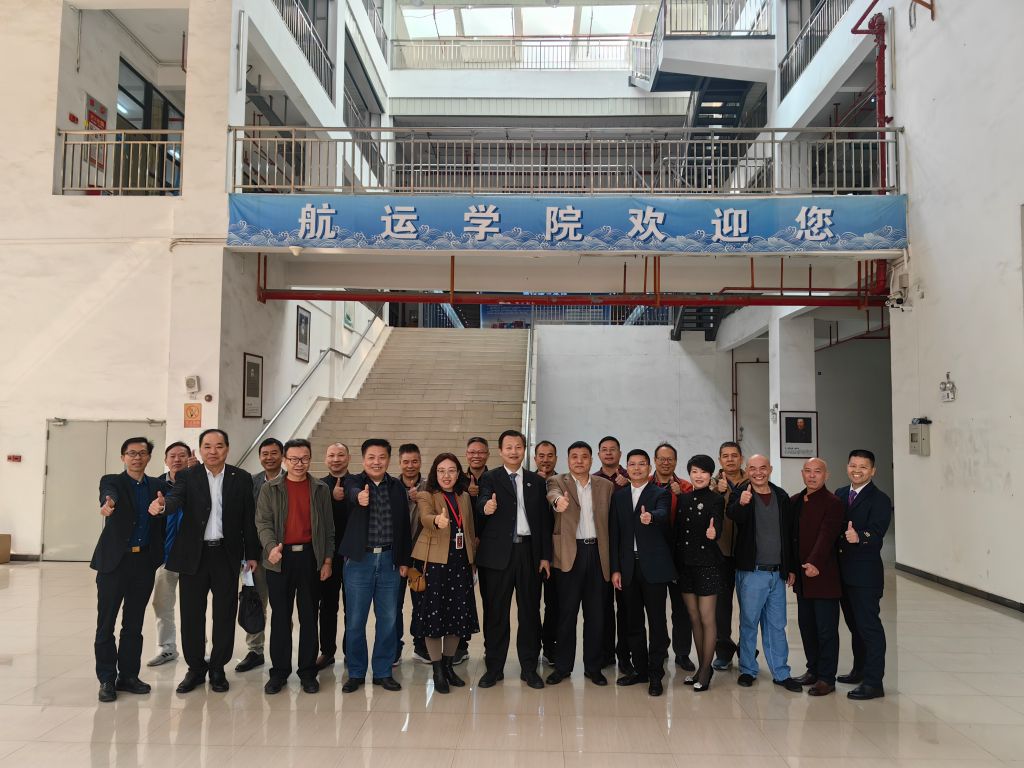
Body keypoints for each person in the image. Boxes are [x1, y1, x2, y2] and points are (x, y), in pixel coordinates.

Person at [148, 428, 259, 694]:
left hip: (226, 555)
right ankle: (195, 669)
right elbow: (175, 499)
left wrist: (252, 553)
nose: (213, 451)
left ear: (227, 449)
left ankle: (218, 668)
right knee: (192, 614)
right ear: (200, 450)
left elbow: (248, 518)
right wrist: (163, 507)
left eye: (219, 446)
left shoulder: (241, 478)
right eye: (207, 446)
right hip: (193, 556)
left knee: (224, 614)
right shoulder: (188, 476)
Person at [256, 438, 335, 695]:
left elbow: (329, 528)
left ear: (310, 459)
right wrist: (271, 547)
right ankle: (279, 672)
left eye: (304, 458)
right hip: (279, 559)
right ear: (284, 460)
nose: (299, 464)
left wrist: (327, 560)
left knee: (309, 616)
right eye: (293, 459)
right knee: (280, 617)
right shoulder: (270, 489)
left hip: (310, 558)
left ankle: (308, 672)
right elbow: (263, 523)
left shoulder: (320, 489)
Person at [92, 437, 168, 702]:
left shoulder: (158, 486)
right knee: (106, 623)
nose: (137, 457)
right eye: (131, 453)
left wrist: (163, 506)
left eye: (142, 453)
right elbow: (108, 495)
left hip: (143, 562)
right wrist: (108, 504)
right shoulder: (112, 481)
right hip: (114, 563)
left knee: (133, 624)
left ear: (149, 457)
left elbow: (171, 503)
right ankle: (106, 678)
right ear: (123, 457)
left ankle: (128, 676)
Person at [475, 429, 552, 689]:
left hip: (529, 553)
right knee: (495, 613)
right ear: (500, 451)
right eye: (508, 447)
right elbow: (482, 501)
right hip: (497, 556)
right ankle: (494, 668)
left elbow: (543, 521)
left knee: (530, 612)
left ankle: (529, 668)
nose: (513, 451)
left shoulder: (536, 481)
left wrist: (545, 556)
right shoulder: (490, 477)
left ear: (524, 450)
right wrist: (486, 506)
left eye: (518, 447)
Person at [339, 439, 411, 693]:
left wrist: (404, 560)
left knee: (388, 619)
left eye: (382, 457)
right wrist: (358, 497)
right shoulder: (354, 482)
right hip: (360, 561)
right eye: (371, 457)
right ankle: (356, 672)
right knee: (355, 620)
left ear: (389, 460)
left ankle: (382, 671)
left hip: (390, 561)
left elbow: (404, 526)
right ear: (363, 459)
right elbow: (350, 492)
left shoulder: (397, 487)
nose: (376, 462)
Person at [726, 454, 802, 692]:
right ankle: (748, 669)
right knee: (749, 623)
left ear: (769, 469)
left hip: (777, 573)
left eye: (762, 468)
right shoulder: (741, 493)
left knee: (777, 625)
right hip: (752, 572)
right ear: (747, 470)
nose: (758, 473)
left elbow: (789, 534)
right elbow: (733, 516)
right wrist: (742, 503)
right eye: (753, 468)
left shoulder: (781, 496)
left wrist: (790, 567)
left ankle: (781, 672)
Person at [543, 441, 614, 686]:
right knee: (566, 614)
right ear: (568, 460)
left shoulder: (605, 486)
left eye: (584, 456)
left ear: (592, 460)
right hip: (568, 555)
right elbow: (552, 495)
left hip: (597, 554)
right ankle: (563, 667)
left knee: (596, 615)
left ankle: (593, 667)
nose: (580, 461)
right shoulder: (557, 481)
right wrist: (557, 502)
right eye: (574, 456)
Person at [410, 453, 479, 693]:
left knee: (456, 617)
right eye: (441, 471)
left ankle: (449, 667)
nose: (446, 475)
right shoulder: (426, 494)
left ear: (458, 473)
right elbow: (425, 516)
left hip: (460, 564)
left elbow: (469, 530)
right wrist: (437, 521)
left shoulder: (464, 497)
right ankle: (437, 669)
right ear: (435, 473)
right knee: (433, 617)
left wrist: (472, 561)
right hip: (434, 564)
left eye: (451, 470)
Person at [609, 449, 675, 697]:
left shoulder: (660, 493)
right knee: (633, 622)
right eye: (632, 464)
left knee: (657, 622)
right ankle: (641, 670)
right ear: (626, 468)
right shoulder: (619, 496)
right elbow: (615, 534)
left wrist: (651, 517)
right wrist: (615, 568)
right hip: (628, 568)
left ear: (649, 468)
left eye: (642, 464)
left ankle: (656, 674)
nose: (637, 468)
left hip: (654, 568)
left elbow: (663, 513)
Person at [835, 449, 892, 700]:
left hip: (865, 576)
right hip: (842, 573)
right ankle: (859, 670)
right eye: (853, 465)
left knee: (869, 627)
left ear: (873, 471)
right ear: (847, 466)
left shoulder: (879, 499)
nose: (857, 470)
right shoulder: (840, 493)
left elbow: (877, 533)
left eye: (863, 467)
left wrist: (859, 537)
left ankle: (874, 682)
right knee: (854, 626)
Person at [789, 458, 844, 696]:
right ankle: (812, 670)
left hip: (824, 576)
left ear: (826, 475)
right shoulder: (795, 501)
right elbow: (791, 538)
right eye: (808, 471)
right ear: (802, 474)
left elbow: (827, 535)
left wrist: (814, 562)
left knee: (826, 630)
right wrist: (791, 568)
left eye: (817, 472)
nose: (812, 476)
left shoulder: (833, 503)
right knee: (807, 626)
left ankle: (826, 678)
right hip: (802, 578)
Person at [674, 454, 724, 692]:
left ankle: (705, 669)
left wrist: (715, 533)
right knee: (693, 618)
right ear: (690, 474)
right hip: (685, 565)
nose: (699, 476)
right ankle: (701, 667)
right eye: (694, 471)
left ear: (710, 474)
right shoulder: (683, 499)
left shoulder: (716, 499)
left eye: (703, 471)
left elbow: (718, 525)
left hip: (707, 564)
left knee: (707, 618)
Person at [237, 437, 283, 674]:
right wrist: (246, 554)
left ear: (282, 455)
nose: (269, 458)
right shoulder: (250, 482)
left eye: (274, 453)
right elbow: (244, 518)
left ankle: (281, 650)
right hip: (253, 556)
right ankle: (255, 650)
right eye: (265, 454)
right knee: (253, 602)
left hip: (282, 553)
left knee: (282, 605)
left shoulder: (292, 479)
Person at [651, 442, 695, 673]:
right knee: (656, 609)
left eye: (670, 459)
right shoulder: (645, 484)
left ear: (676, 462)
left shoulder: (686, 487)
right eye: (661, 459)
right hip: (654, 555)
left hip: (681, 555)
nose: (665, 463)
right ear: (655, 461)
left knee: (681, 608)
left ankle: (682, 652)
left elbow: (694, 517)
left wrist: (682, 496)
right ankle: (659, 649)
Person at [147, 441, 191, 668]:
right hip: (165, 555)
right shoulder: (156, 485)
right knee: (162, 603)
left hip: (193, 555)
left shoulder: (198, 483)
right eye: (172, 456)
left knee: (194, 604)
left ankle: (198, 648)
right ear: (165, 460)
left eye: (182, 455)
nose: (177, 459)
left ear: (190, 458)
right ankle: (167, 648)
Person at [594, 435, 630, 673]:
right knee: (602, 605)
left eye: (613, 449)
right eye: (604, 450)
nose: (608, 453)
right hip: (599, 550)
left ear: (619, 453)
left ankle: (625, 654)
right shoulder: (592, 479)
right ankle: (605, 654)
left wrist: (627, 486)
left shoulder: (630, 478)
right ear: (599, 455)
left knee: (626, 606)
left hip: (624, 550)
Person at [711, 441, 746, 671]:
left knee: (749, 608)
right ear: (720, 460)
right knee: (721, 607)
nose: (730, 459)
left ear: (741, 458)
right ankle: (723, 652)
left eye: (734, 455)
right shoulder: (712, 484)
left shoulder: (752, 482)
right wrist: (718, 492)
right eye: (725, 456)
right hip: (720, 554)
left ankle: (746, 651)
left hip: (746, 554)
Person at [317, 442, 350, 671]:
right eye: (331, 455)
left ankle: (351, 652)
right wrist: (331, 496)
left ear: (348, 458)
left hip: (353, 556)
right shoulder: (319, 486)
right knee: (327, 606)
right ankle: (327, 651)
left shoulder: (357, 483)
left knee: (352, 608)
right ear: (325, 459)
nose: (336, 459)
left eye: (340, 455)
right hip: (327, 556)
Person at [395, 443, 429, 665]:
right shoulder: (391, 486)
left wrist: (422, 499)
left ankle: (421, 645)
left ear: (420, 462)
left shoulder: (429, 487)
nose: (410, 466)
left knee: (422, 602)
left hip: (421, 553)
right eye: (406, 461)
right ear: (399, 463)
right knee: (393, 604)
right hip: (396, 554)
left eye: (414, 461)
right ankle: (394, 647)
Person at [533, 440, 559, 665]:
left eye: (550, 455)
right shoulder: (526, 481)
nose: (545, 460)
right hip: (531, 552)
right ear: (534, 459)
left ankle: (551, 648)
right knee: (531, 604)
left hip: (558, 553)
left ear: (556, 459)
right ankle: (532, 649)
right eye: (541, 455)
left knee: (554, 604)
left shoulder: (564, 481)